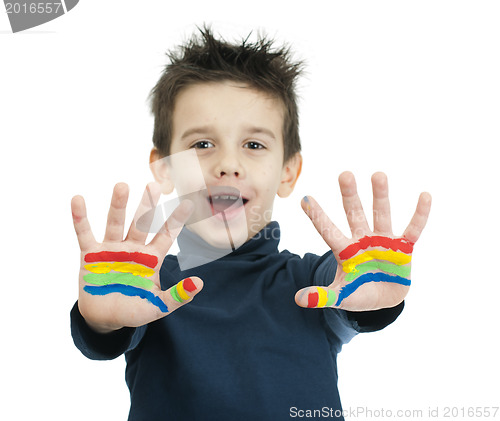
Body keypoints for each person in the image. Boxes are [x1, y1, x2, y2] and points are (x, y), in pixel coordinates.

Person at [70, 27, 431, 420]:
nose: (228, 164)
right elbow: (114, 323)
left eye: (254, 145)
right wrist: (103, 323)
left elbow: (344, 284)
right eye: (202, 144)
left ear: (288, 172)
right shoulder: (148, 284)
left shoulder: (311, 280)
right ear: (165, 167)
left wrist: (371, 296)